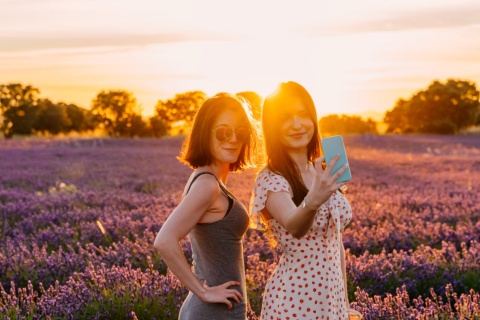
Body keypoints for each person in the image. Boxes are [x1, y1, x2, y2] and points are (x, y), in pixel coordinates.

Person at [250, 81, 359, 319]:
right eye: (286, 118)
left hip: (332, 300)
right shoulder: (271, 178)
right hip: (296, 300)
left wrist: (345, 303)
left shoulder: (319, 170)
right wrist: (315, 198)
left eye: (303, 115)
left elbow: (335, 241)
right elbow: (294, 225)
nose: (297, 125)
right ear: (272, 126)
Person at [154, 93, 258, 320]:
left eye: (240, 132)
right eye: (222, 132)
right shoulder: (207, 185)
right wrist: (202, 291)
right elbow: (164, 240)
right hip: (213, 314)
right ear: (205, 133)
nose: (232, 139)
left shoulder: (206, 178)